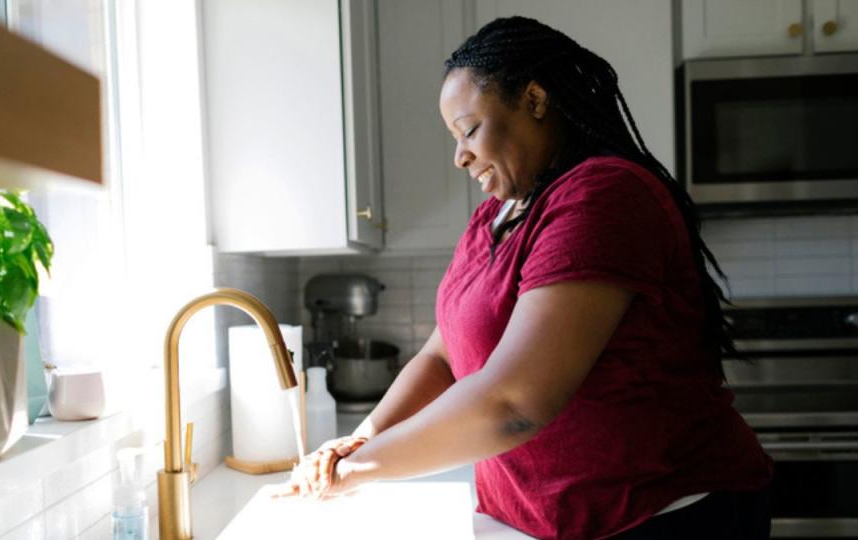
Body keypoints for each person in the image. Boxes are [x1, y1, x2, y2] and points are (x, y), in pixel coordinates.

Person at [281, 16, 773, 539]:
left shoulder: (603, 196)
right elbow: (442, 358)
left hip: (660, 516)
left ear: (535, 100)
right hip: (537, 519)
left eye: (469, 129)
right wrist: (358, 441)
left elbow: (514, 404)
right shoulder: (495, 217)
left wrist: (363, 469)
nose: (459, 156)